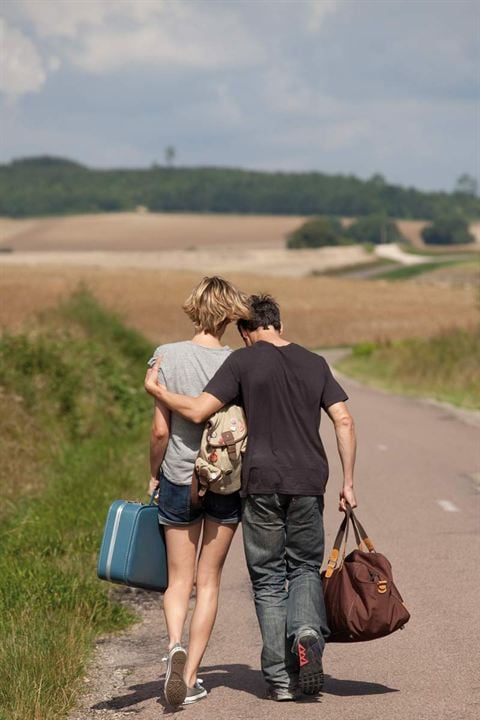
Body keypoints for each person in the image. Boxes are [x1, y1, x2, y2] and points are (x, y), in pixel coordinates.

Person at [144, 294, 357, 701]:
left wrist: (155, 388)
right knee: (306, 568)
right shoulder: (315, 362)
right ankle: (308, 631)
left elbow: (197, 411)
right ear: (279, 323)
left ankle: (279, 679)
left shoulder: (243, 361)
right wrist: (349, 482)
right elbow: (343, 419)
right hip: (309, 480)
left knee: (269, 579)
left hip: (260, 483)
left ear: (246, 331)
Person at [147, 276, 250, 707]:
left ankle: (174, 646)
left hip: (176, 477)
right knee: (208, 582)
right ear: (230, 315)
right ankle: (189, 678)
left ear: (194, 310)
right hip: (225, 480)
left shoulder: (166, 356)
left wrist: (154, 474)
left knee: (178, 580)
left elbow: (159, 431)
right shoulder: (240, 362)